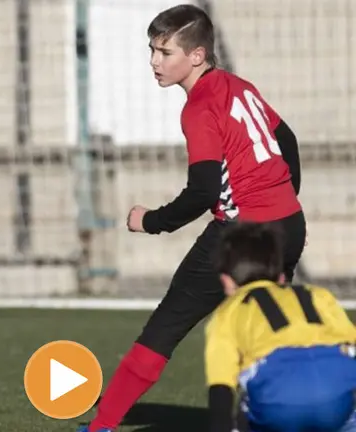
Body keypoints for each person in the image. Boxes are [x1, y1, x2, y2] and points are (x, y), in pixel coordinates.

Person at [80, 5, 306, 432]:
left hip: (242, 235)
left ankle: (101, 426)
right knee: (268, 332)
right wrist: (283, 202)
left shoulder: (199, 106)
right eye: (152, 50)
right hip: (289, 226)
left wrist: (151, 221)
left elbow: (202, 192)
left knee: (167, 324)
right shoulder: (240, 86)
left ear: (197, 55)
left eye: (164, 52)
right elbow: (286, 140)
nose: (154, 62)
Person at [205, 222, 356, 432]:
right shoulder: (316, 295)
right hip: (335, 392)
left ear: (226, 282)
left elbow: (221, 385)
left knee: (243, 415)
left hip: (279, 396)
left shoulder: (228, 312)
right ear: (281, 277)